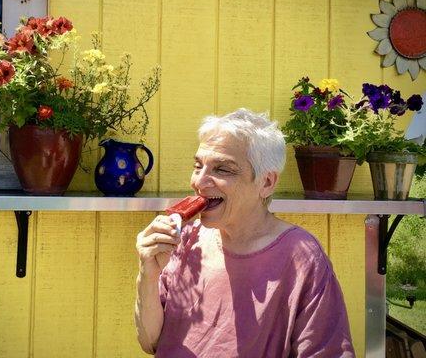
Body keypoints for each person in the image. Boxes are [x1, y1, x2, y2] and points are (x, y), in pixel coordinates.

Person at [135, 108, 355, 357]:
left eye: (222, 169)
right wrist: (148, 275)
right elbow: (149, 342)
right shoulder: (185, 240)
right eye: (198, 166)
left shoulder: (301, 257)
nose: (199, 182)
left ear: (266, 183)